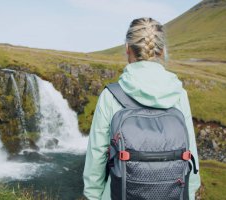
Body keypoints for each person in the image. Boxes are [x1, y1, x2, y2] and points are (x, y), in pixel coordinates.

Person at [83, 17, 201, 200]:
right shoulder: (179, 94)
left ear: (127, 48)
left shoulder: (111, 95)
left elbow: (97, 156)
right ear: (161, 51)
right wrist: (190, 192)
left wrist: (92, 196)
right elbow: (190, 149)